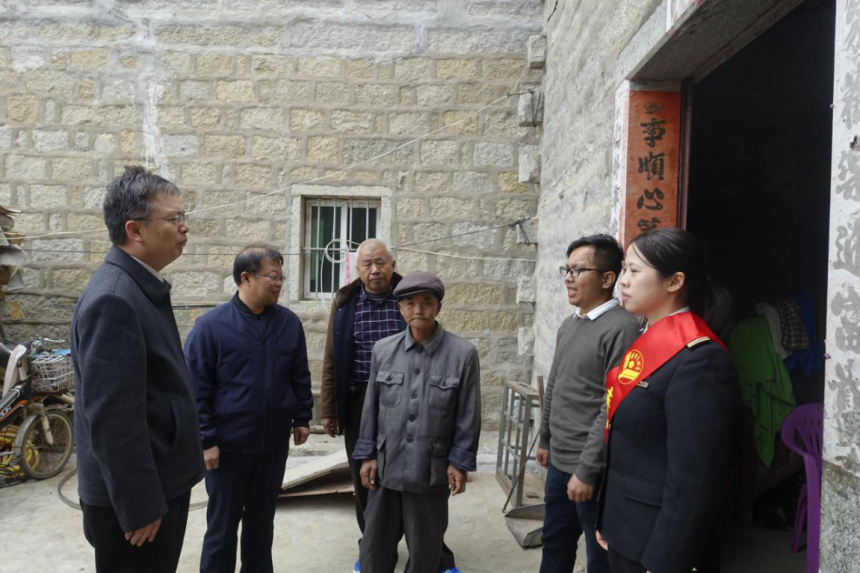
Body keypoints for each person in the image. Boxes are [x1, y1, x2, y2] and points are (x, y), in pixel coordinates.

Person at [71, 166, 204, 572]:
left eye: (184, 217)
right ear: (135, 230)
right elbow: (113, 419)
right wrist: (140, 504)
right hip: (137, 502)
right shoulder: (115, 300)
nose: (184, 227)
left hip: (157, 483)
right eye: (174, 218)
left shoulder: (138, 286)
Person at [595, 228, 738, 573]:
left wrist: (665, 561)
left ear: (674, 282)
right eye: (624, 270)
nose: (623, 281)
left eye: (634, 271)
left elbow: (694, 479)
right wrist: (608, 518)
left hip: (655, 545)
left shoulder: (700, 359)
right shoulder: (645, 339)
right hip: (623, 528)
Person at [320, 240, 462, 573]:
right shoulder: (345, 303)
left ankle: (434, 553)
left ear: (393, 265)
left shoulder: (410, 296)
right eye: (367, 264)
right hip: (360, 400)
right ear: (357, 269)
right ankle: (371, 544)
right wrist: (329, 409)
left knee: (423, 480)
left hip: (412, 395)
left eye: (381, 262)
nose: (374, 270)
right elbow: (332, 358)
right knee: (366, 479)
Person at [184, 245, 314, 573]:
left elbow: (299, 374)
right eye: (273, 276)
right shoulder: (210, 327)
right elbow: (195, 390)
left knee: (261, 524)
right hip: (228, 449)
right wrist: (206, 440)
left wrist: (302, 416)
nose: (279, 283)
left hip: (272, 445)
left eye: (281, 277)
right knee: (222, 528)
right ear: (246, 278)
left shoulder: (288, 323)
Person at [352, 271, 480, 573]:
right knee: (374, 547)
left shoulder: (462, 354)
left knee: (425, 551)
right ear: (400, 308)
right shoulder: (383, 350)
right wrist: (367, 455)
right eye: (410, 303)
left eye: (426, 302)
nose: (418, 309)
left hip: (430, 472)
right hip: (387, 467)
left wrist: (459, 463)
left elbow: (468, 414)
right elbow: (370, 408)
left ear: (438, 307)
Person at [537, 235, 641, 573]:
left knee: (600, 556)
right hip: (559, 461)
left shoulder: (623, 329)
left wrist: (586, 469)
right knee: (555, 542)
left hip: (593, 471)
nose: (568, 278)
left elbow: (612, 406)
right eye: (566, 270)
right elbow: (556, 383)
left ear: (607, 278)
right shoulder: (570, 324)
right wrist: (545, 438)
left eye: (578, 270)